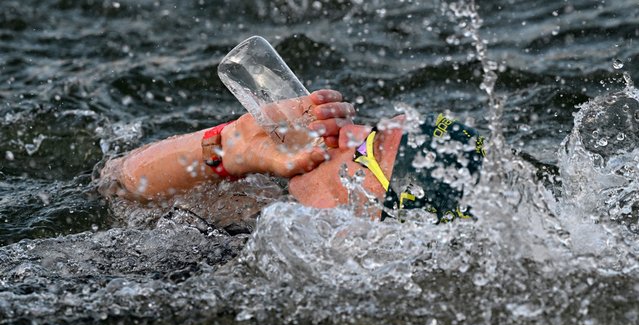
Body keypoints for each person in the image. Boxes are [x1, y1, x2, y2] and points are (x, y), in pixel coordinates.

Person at [99, 89, 485, 222]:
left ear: (374, 208)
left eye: (367, 147)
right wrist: (230, 145)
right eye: (369, 128)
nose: (347, 129)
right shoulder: (261, 204)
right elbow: (115, 182)